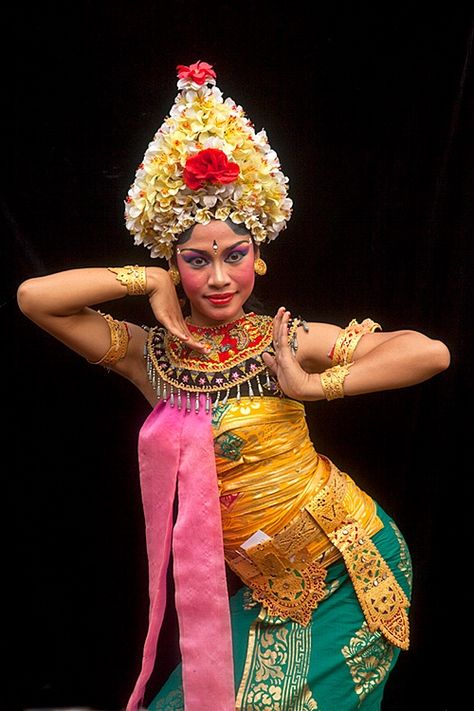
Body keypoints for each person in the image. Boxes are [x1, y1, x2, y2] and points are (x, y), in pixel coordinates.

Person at [17, 61, 450, 711]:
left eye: (234, 254)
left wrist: (314, 386)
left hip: (349, 569)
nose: (220, 276)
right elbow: (35, 298)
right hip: (265, 591)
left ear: (258, 255)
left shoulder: (283, 337)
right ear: (175, 266)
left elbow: (429, 353)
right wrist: (142, 283)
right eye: (196, 259)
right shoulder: (150, 356)